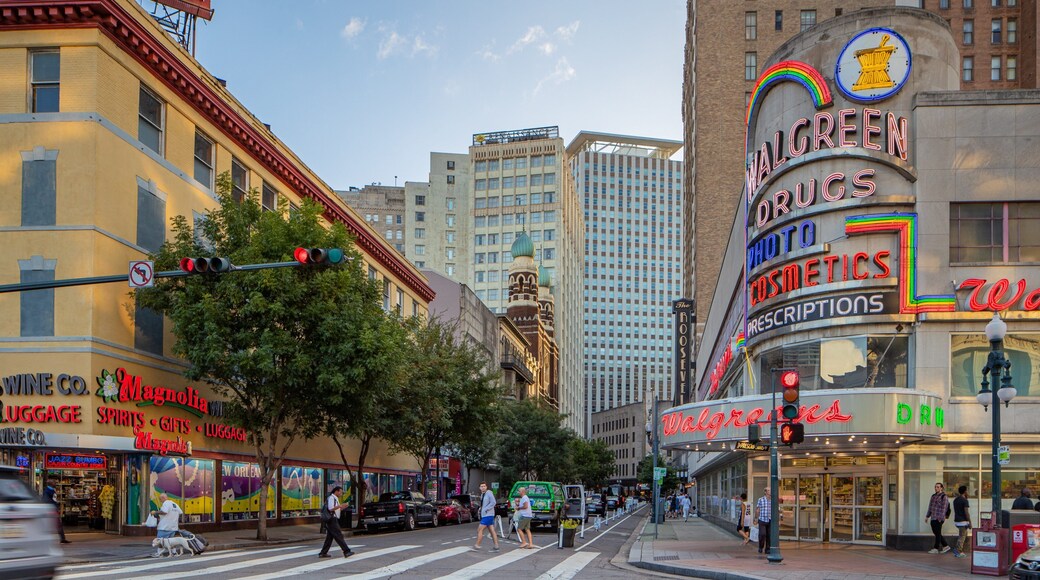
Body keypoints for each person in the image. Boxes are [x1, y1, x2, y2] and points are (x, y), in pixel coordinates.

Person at [318, 486, 353, 559]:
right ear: (336, 491)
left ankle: (323, 553)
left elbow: (337, 508)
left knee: (329, 537)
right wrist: (340, 506)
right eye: (340, 491)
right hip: (331, 519)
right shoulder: (331, 498)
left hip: (333, 518)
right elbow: (331, 508)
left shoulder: (335, 499)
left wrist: (343, 506)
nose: (341, 493)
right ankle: (346, 551)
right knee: (338, 535)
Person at [151, 493, 183, 557]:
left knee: (159, 540)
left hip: (165, 526)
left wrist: (155, 512)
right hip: (173, 527)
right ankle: (174, 553)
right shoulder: (175, 504)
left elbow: (164, 512)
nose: (160, 501)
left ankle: (159, 553)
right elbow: (180, 513)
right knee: (171, 541)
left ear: (163, 498)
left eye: (160, 499)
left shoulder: (166, 503)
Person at [473, 482, 501, 551]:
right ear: (479, 488)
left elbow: (493, 502)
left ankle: (477, 544)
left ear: (486, 487)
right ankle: (496, 545)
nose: (483, 487)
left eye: (484, 486)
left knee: (480, 529)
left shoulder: (489, 493)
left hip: (488, 515)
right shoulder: (482, 495)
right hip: (485, 515)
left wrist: (486, 509)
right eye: (481, 486)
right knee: (492, 531)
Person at [925, 482, 952, 554]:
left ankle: (936, 548)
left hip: (939, 518)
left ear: (941, 488)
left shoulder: (944, 496)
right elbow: (930, 507)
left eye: (938, 487)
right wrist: (927, 516)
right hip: (933, 517)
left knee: (937, 533)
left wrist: (940, 518)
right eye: (935, 487)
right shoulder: (933, 496)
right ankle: (946, 546)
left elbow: (944, 508)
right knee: (937, 533)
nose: (936, 488)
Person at [953, 485, 971, 558]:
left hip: (957, 520)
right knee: (962, 536)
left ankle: (958, 550)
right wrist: (970, 522)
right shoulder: (965, 501)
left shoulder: (956, 500)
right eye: (967, 491)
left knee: (962, 535)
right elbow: (966, 512)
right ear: (965, 491)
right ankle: (958, 551)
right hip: (963, 521)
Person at [754, 487, 772, 554]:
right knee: (762, 534)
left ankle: (767, 549)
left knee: (769, 535)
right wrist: (755, 518)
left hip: (770, 520)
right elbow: (757, 509)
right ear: (765, 492)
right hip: (762, 519)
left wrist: (779, 520)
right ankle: (760, 547)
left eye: (770, 490)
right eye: (769, 490)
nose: (770, 491)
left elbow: (777, 510)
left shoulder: (773, 500)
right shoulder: (761, 500)